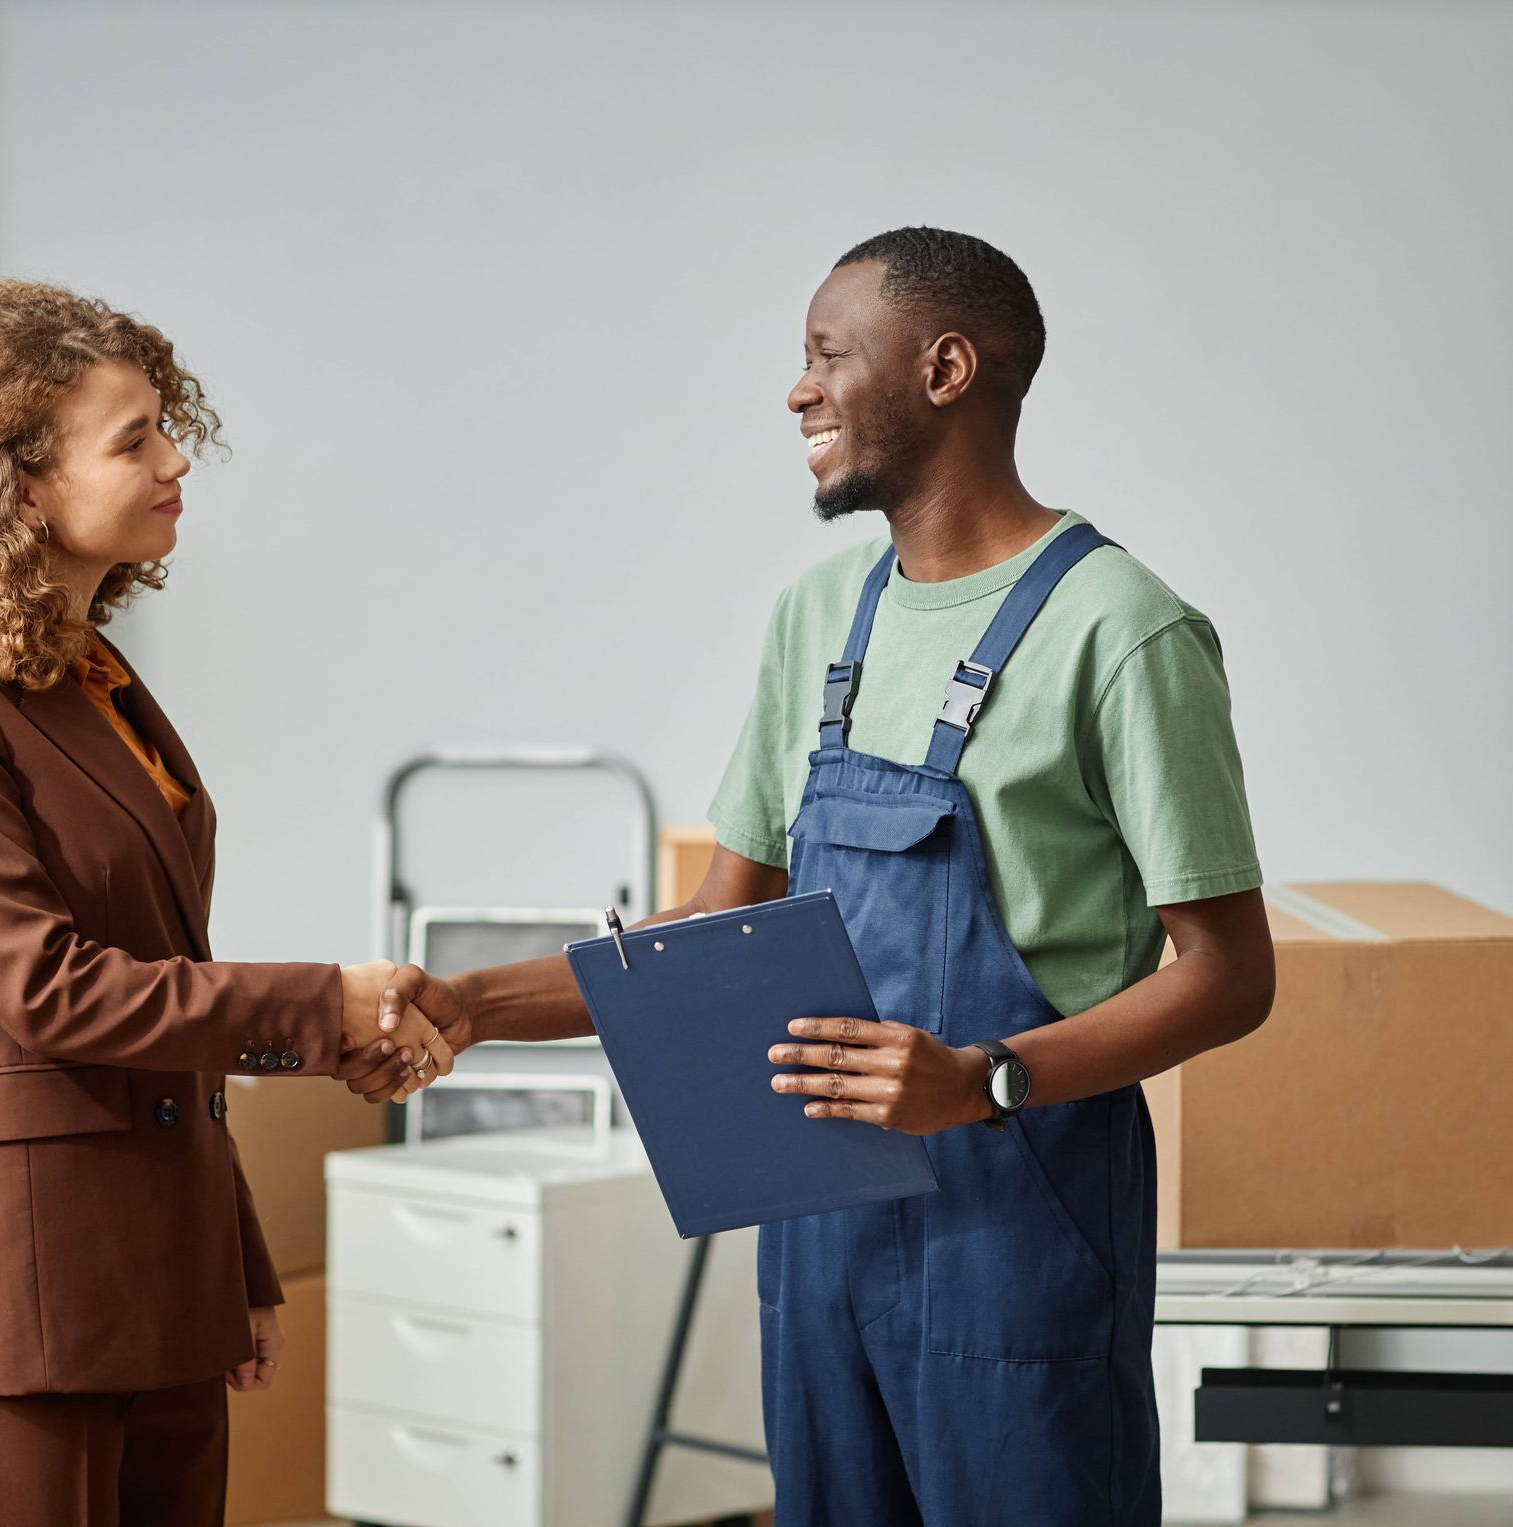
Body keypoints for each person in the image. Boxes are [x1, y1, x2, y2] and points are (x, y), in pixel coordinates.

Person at [377, 228, 1276, 1524]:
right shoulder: (818, 620)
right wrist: (471, 1005)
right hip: (821, 1232)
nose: (796, 390)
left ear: (946, 366)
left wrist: (982, 1077)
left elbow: (1232, 975)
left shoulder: (1122, 630)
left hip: (1019, 1233)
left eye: (824, 354)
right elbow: (714, 931)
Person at [0, 280, 450, 1527]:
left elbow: (169, 987)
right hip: (17, 1302)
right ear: (23, 485)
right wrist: (331, 1004)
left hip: (165, 1287)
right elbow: (45, 990)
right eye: (136, 438)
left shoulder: (92, 679)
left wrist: (236, 1260)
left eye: (168, 426)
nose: (177, 460)